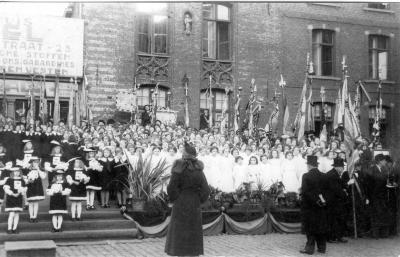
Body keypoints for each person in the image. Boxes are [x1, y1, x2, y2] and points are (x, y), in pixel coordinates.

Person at [165, 141, 210, 257]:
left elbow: (171, 188)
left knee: (180, 229)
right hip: (194, 202)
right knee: (192, 229)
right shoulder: (199, 170)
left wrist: (176, 198)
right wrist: (198, 199)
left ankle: (180, 253)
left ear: (184, 155)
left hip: (180, 202)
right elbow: (206, 190)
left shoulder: (178, 168)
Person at [300, 155, 329, 255]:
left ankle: (309, 248)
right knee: (321, 226)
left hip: (309, 206)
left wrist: (314, 200)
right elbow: (326, 192)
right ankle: (322, 248)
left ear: (308, 165)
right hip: (321, 205)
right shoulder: (324, 175)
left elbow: (305, 192)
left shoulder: (306, 176)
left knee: (310, 227)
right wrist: (321, 201)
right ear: (316, 165)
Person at [366, 154, 391, 238]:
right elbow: (369, 185)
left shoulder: (384, 169)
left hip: (382, 196)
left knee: (383, 214)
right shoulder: (372, 170)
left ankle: (383, 234)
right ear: (380, 161)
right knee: (376, 215)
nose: (385, 162)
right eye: (384, 160)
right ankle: (375, 234)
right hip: (375, 196)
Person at [325, 158, 348, 243]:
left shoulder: (335, 174)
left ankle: (338, 236)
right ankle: (331, 237)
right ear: (338, 167)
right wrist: (345, 193)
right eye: (342, 167)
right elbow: (336, 190)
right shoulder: (332, 175)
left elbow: (341, 184)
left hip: (336, 201)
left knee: (338, 219)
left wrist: (346, 186)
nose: (343, 169)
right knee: (333, 220)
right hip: (332, 201)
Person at [4, 166, 27, 234]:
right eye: (15, 171)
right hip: (11, 198)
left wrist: (20, 192)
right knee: (11, 214)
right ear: (13, 172)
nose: (16, 173)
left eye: (18, 172)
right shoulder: (9, 180)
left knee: (17, 214)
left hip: (18, 198)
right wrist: (13, 194)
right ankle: (9, 228)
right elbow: (6, 189)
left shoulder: (22, 180)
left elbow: (24, 190)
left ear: (20, 172)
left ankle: (15, 228)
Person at [47, 168, 71, 232]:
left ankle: (59, 227)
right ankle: (55, 227)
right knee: (54, 214)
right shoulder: (52, 183)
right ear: (56, 177)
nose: (59, 177)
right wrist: (53, 191)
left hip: (61, 199)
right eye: (58, 176)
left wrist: (62, 192)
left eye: (60, 176)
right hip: (54, 200)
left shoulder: (65, 183)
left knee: (60, 214)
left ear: (62, 177)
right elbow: (48, 191)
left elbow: (68, 191)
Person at [26, 156, 46, 222]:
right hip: (31, 186)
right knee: (31, 203)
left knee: (36, 203)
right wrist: (28, 180)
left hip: (37, 187)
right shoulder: (28, 169)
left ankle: (35, 217)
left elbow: (43, 177)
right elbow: (25, 179)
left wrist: (38, 169)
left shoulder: (41, 169)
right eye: (34, 162)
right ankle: (31, 217)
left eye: (37, 162)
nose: (36, 164)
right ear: (32, 163)